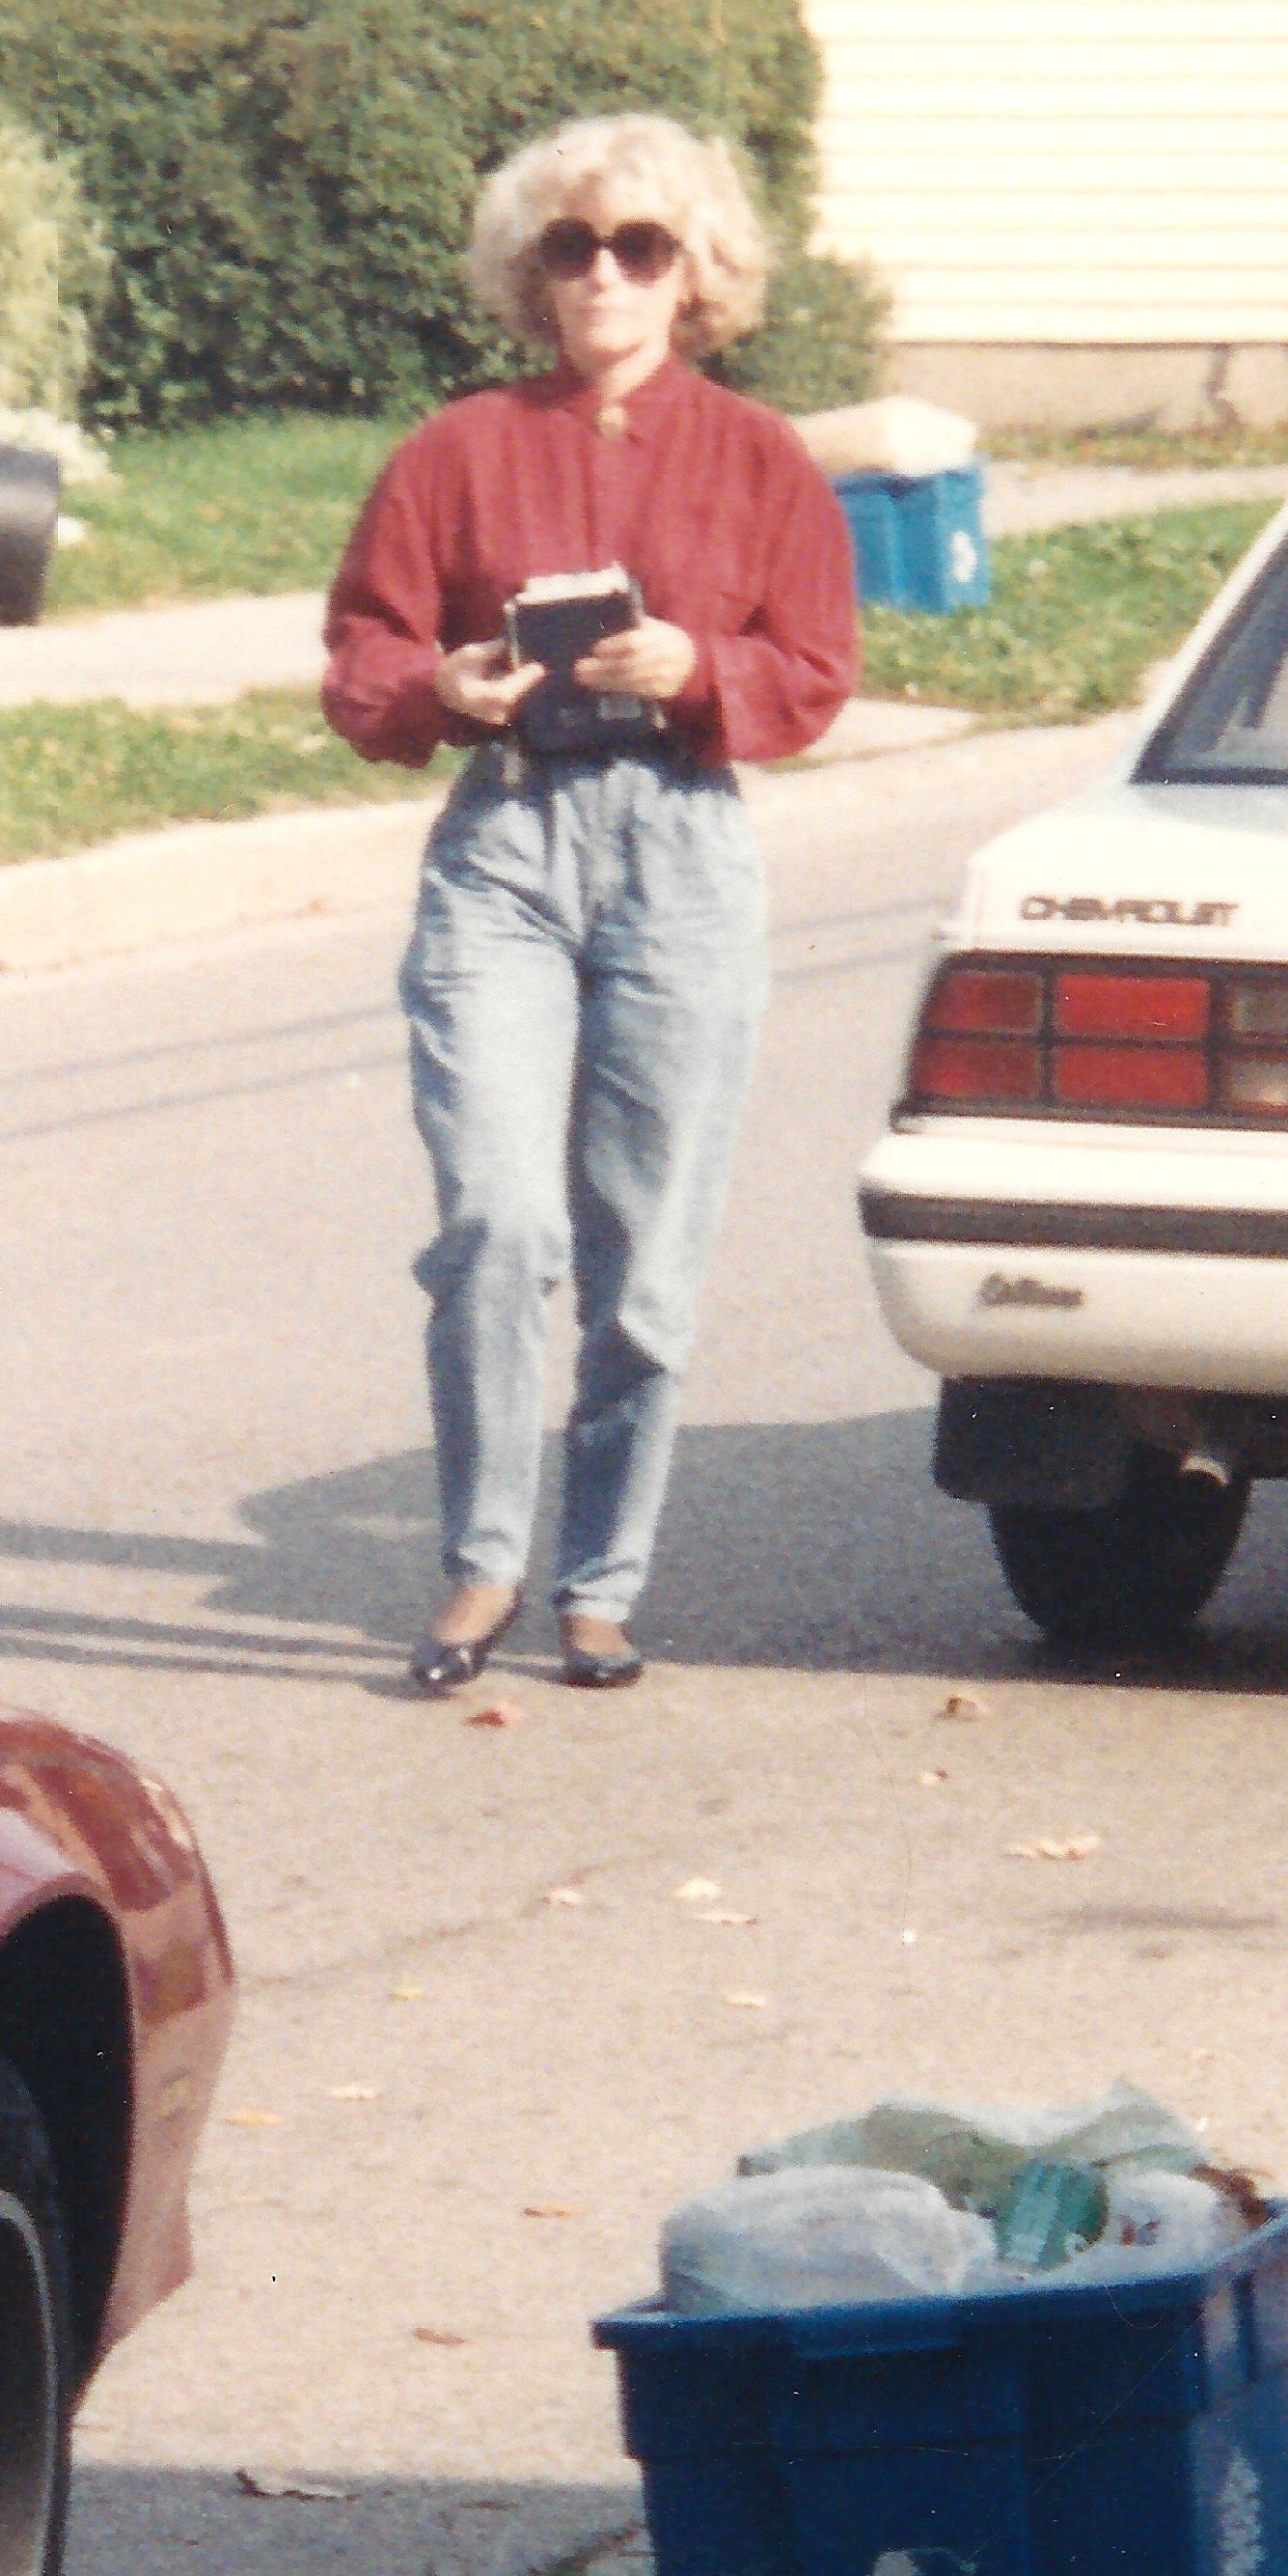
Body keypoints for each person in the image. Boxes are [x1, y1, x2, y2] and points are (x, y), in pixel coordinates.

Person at [321, 113, 857, 1694]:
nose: (607, 275)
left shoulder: (761, 459)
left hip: (679, 846)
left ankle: (602, 1580)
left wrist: (708, 668)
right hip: (506, 844)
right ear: (530, 273)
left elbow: (817, 667)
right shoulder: (459, 449)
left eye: (642, 246)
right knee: (498, 1215)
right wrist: (446, 680)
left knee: (647, 1248)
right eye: (574, 247)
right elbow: (364, 655)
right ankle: (484, 1563)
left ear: (697, 274)